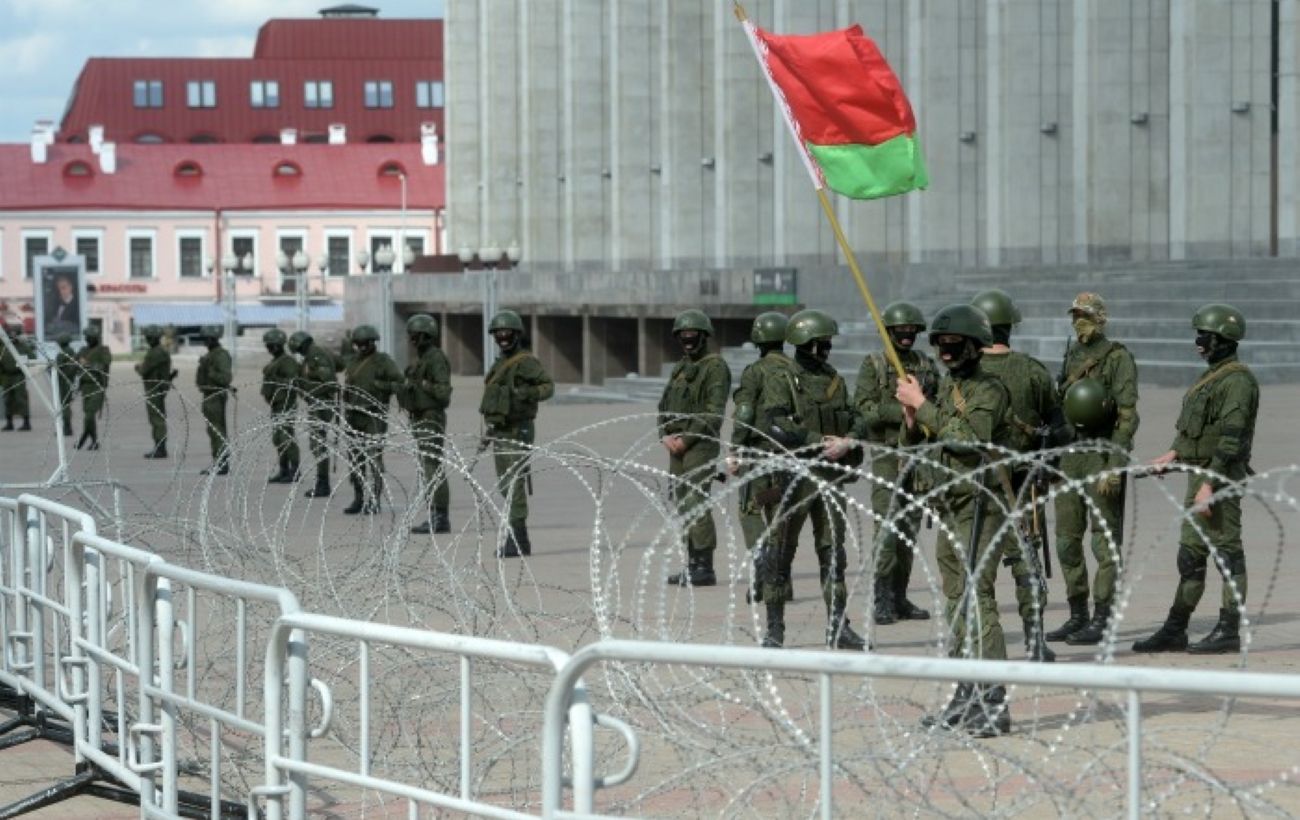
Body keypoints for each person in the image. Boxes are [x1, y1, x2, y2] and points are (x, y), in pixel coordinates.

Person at [896, 304, 1012, 737]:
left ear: (972, 345)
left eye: (951, 345)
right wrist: (912, 417)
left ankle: (994, 701)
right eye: (939, 345)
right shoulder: (946, 388)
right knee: (956, 601)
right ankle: (966, 695)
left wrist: (922, 405)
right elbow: (925, 440)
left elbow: (968, 439)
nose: (944, 353)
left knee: (978, 599)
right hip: (949, 503)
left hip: (980, 505)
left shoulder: (989, 389)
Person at [1134, 303, 1258, 655]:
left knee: (1228, 556)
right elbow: (1196, 428)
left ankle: (1229, 630)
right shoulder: (1211, 377)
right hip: (1198, 476)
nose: (1198, 342)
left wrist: (1209, 486)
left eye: (1204, 336)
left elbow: (1231, 440)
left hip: (1218, 480)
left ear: (1223, 339)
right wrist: (1172, 454)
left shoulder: (1237, 381)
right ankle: (1176, 629)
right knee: (1190, 557)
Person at [754, 308, 867, 650]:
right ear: (804, 343)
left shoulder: (834, 380)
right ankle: (775, 629)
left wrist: (848, 440)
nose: (827, 348)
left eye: (828, 342)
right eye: (821, 343)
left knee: (834, 553)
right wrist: (818, 441)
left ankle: (839, 626)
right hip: (794, 476)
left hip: (829, 478)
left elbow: (856, 417)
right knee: (780, 554)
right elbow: (775, 423)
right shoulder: (784, 378)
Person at [968, 289, 1058, 661]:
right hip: (1022, 481)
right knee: (1027, 561)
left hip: (977, 483)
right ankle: (1035, 637)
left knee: (975, 567)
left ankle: (979, 641)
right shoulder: (1034, 370)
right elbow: (1055, 424)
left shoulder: (969, 374)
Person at [1046, 293, 1139, 646]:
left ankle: (1102, 616)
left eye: (1084, 316)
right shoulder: (1072, 354)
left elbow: (1127, 416)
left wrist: (1114, 466)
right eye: (1074, 316)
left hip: (1101, 456)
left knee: (1104, 544)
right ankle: (1077, 613)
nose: (1078, 322)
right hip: (1072, 457)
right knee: (1067, 542)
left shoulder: (1118, 359)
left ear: (1100, 318)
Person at [853, 301, 937, 628]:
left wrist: (922, 410)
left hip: (918, 455)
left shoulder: (926, 365)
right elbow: (864, 408)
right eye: (899, 332)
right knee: (886, 528)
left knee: (909, 530)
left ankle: (900, 595)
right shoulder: (874, 365)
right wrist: (900, 412)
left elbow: (938, 401)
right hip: (888, 455)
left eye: (910, 332)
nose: (906, 337)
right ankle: (882, 597)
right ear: (888, 333)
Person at [658, 309, 731, 586]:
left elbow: (713, 412)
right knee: (682, 502)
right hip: (675, 444)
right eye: (683, 336)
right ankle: (691, 562)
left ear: (704, 336)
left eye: (693, 336)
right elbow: (663, 404)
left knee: (696, 502)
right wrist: (665, 435)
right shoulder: (680, 368)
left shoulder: (715, 367)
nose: (687, 341)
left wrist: (685, 440)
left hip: (700, 444)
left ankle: (704, 565)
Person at [728, 312, 793, 606]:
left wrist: (735, 448)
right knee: (780, 517)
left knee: (751, 512)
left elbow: (744, 412)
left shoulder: (755, 372)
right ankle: (781, 581)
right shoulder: (795, 370)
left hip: (758, 453)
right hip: (789, 454)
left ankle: (761, 571)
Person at [479, 310, 554, 555]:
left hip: (517, 429)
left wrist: (524, 394)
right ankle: (517, 538)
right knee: (505, 485)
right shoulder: (499, 363)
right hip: (501, 429)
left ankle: (519, 540)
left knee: (514, 485)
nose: (502, 337)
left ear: (516, 334)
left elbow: (547, 387)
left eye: (507, 332)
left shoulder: (526, 362)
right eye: (498, 333)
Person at [341, 324, 403, 515]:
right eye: (358, 343)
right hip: (353, 415)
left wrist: (379, 386)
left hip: (373, 416)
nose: (361, 346)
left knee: (374, 458)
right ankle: (358, 498)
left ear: (372, 342)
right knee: (355, 459)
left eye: (365, 342)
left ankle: (374, 499)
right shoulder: (352, 362)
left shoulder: (383, 362)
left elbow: (399, 383)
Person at [401, 314, 453, 535]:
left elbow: (443, 394)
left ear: (426, 336)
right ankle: (434, 513)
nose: (412, 339)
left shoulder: (435, 359)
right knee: (427, 468)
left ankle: (439, 517)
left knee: (433, 467)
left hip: (431, 417)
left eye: (416, 335)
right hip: (419, 417)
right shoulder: (421, 359)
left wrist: (424, 385)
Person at [289, 330, 339, 499]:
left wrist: (310, 388)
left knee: (317, 443)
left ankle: (323, 484)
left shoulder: (316, 355)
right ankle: (322, 482)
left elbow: (329, 381)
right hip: (316, 403)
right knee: (316, 443)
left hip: (321, 404)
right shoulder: (311, 356)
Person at [261, 329, 301, 484]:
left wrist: (275, 381)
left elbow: (293, 382)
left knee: (286, 437)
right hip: (276, 404)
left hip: (286, 404)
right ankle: (284, 469)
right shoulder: (275, 361)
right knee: (278, 438)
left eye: (270, 346)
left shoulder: (287, 362)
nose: (269, 349)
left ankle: (295, 470)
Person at [195, 325, 234, 474]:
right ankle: (218, 460)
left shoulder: (220, 355)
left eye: (206, 339)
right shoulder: (211, 355)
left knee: (217, 430)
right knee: (213, 430)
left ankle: (222, 462)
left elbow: (225, 378)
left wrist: (210, 372)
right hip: (208, 395)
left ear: (212, 339)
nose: (204, 342)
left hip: (216, 396)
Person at [135, 324, 174, 457]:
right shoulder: (161, 351)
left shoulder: (154, 353)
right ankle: (160, 446)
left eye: (148, 337)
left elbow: (143, 370)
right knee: (158, 418)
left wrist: (138, 367)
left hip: (154, 388)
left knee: (156, 419)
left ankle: (160, 448)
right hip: (160, 387)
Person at [76, 324, 111, 450]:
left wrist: (88, 364)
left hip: (97, 386)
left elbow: (104, 364)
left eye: (90, 337)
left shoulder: (103, 350)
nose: (87, 339)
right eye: (86, 337)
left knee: (90, 415)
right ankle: (93, 441)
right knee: (87, 415)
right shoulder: (83, 350)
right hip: (85, 387)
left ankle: (85, 438)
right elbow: (74, 362)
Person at [0, 323, 33, 431]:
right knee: (7, 399)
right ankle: (9, 423)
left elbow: (32, 358)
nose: (12, 336)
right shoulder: (4, 346)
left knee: (21, 399)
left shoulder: (23, 347)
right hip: (6, 376)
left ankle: (26, 423)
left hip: (18, 375)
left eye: (14, 334)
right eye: (10, 333)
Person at [53, 333, 78, 436]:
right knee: (65, 404)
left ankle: (67, 428)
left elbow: (57, 367)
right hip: (68, 380)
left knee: (64, 405)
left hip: (64, 382)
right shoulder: (70, 352)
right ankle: (67, 427)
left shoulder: (63, 353)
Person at [45, 273, 80, 338]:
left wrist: (61, 324)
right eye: (59, 289)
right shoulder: (55, 303)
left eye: (63, 288)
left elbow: (78, 326)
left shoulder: (77, 305)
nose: (61, 291)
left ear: (70, 287)